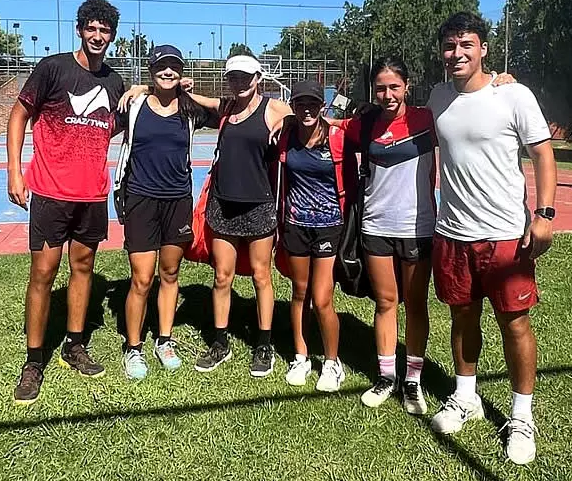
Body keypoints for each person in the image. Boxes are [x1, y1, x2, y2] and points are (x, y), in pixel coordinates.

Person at [426, 12, 556, 465]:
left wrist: (543, 214)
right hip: (452, 233)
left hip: (504, 235)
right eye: (449, 46)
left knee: (514, 323)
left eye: (466, 45)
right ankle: (467, 397)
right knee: (461, 319)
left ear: (483, 48)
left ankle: (522, 416)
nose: (456, 54)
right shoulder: (438, 96)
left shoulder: (513, 94)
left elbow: (542, 152)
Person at [118, 54, 293, 377]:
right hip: (216, 203)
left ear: (258, 78)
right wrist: (143, 86)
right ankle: (215, 342)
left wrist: (286, 120)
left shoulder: (270, 107)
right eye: (234, 77)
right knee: (217, 277)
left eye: (246, 77)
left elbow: (301, 117)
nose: (240, 82)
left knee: (260, 275)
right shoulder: (224, 108)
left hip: (256, 205)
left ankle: (264, 344)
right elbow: (177, 93)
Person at [6, 0, 125, 405]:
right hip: (50, 192)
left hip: (92, 194)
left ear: (112, 35)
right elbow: (19, 115)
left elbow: (113, 127)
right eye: (91, 28)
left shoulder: (114, 82)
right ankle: (34, 361)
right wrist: (14, 171)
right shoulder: (53, 69)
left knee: (84, 267)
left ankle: (74, 344)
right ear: (79, 30)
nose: (97, 36)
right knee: (43, 272)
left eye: (104, 30)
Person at [327, 57, 437, 413]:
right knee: (386, 303)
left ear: (407, 86)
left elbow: (470, 102)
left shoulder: (427, 119)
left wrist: (500, 80)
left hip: (418, 228)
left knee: (416, 305)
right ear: (372, 91)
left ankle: (413, 381)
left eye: (394, 87)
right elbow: (325, 123)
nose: (388, 94)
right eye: (380, 88)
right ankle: (387, 376)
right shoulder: (365, 124)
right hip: (375, 226)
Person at [113, 45, 212, 380]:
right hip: (141, 199)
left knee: (170, 275)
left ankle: (164, 340)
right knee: (141, 278)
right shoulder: (134, 105)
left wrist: (192, 89)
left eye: (174, 68)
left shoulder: (190, 109)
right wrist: (139, 89)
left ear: (181, 72)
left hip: (177, 201)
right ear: (151, 70)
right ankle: (133, 348)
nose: (168, 72)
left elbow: (228, 110)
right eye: (161, 67)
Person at [278, 80, 355, 392]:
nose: (306, 109)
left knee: (322, 299)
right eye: (299, 104)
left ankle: (332, 363)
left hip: (329, 226)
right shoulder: (286, 133)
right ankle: (301, 356)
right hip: (295, 224)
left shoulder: (337, 136)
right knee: (299, 292)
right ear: (293, 107)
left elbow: (364, 120)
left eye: (312, 104)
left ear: (322, 106)